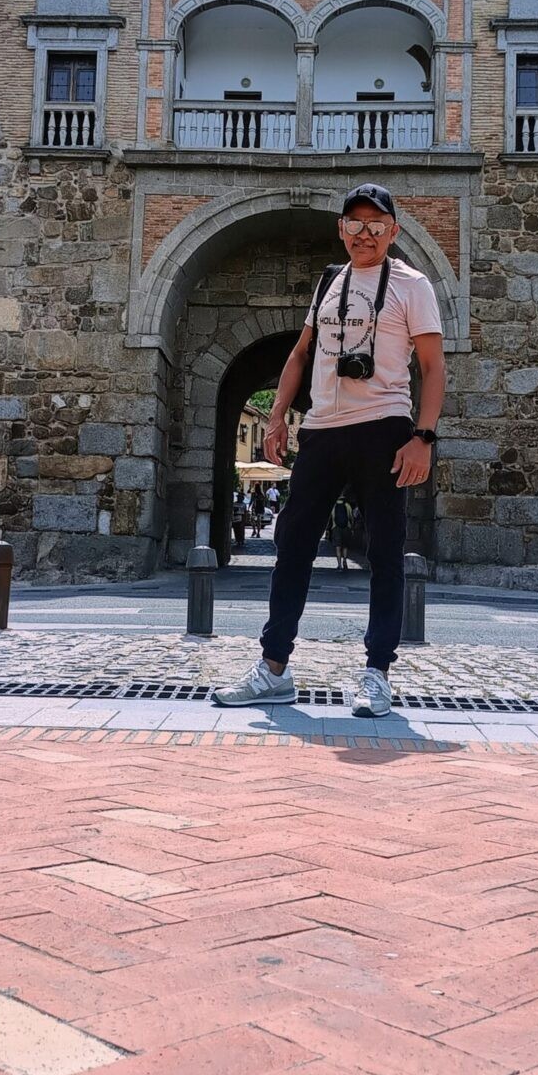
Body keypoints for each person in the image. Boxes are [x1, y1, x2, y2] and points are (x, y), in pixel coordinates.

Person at [213, 183, 445, 718]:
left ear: (393, 230)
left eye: (376, 225)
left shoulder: (413, 285)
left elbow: (433, 367)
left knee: (385, 553)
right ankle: (274, 669)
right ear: (341, 228)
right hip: (320, 429)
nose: (365, 234)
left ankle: (377, 673)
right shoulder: (330, 281)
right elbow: (300, 354)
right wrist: (278, 415)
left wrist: (423, 437)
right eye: (355, 223)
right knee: (292, 546)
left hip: (384, 427)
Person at [330, 489, 354, 572]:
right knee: (345, 546)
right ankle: (345, 561)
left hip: (336, 528)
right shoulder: (347, 505)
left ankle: (339, 565)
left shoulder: (334, 506)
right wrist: (352, 527)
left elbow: (332, 517)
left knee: (338, 547)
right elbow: (351, 517)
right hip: (346, 527)